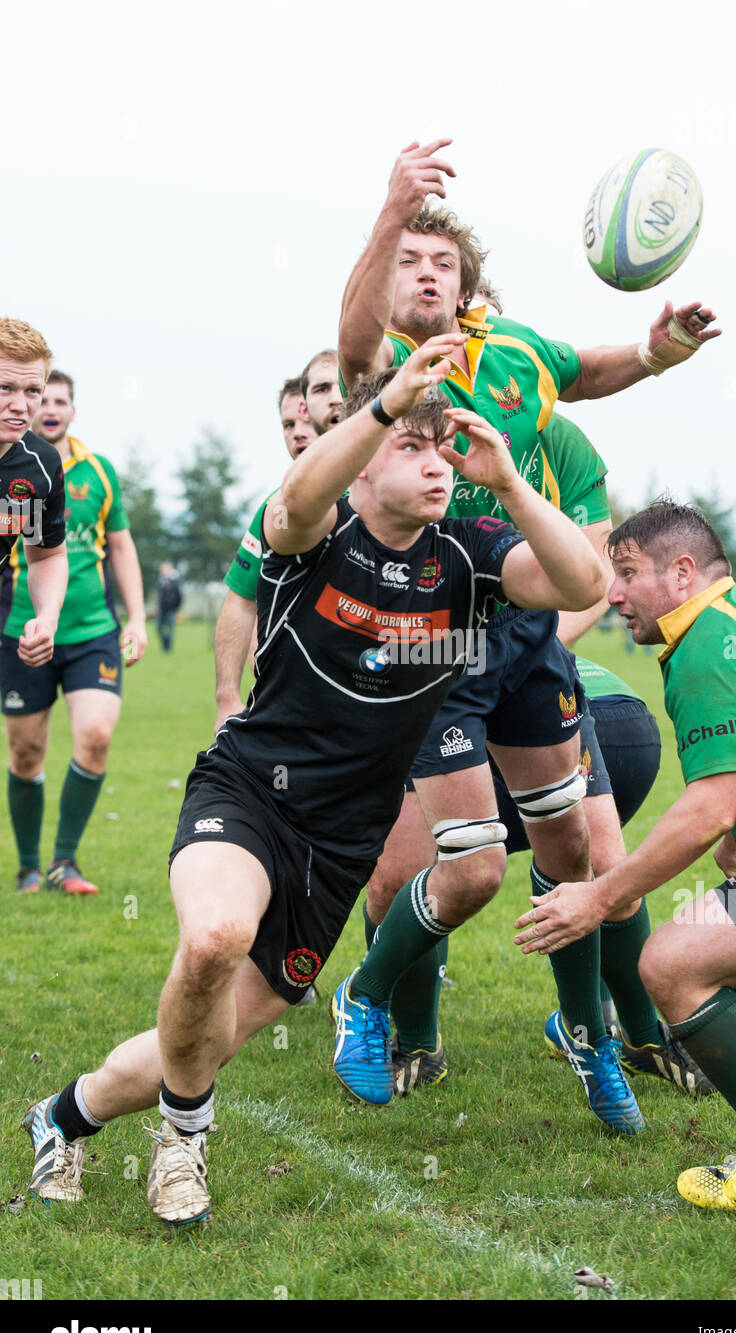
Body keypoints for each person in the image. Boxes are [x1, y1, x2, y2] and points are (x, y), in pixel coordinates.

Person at [20, 336, 605, 1226]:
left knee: (209, 1037)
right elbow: (295, 499)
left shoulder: (468, 554)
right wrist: (378, 409)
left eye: (440, 445)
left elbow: (582, 580)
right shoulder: (314, 531)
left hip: (341, 840)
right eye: (411, 447)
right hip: (249, 792)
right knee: (213, 940)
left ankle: (62, 1115)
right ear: (363, 463)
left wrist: (514, 485)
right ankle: (184, 1142)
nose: (435, 463)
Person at [334, 138, 720, 1120]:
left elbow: (587, 369)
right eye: (407, 261)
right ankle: (370, 1002)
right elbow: (350, 341)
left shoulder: (509, 359)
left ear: (469, 286)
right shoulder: (389, 377)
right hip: (427, 644)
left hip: (523, 643)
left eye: (441, 261)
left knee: (578, 859)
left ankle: (590, 1043)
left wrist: (656, 351)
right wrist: (390, 210)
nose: (423, 272)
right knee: (459, 872)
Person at [514, 499, 736, 1211]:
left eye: (625, 573)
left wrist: (599, 897)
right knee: (727, 956)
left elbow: (705, 805)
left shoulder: (709, 638)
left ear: (680, 573)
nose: (611, 595)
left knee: (668, 962)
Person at [1, 368, 145, 894]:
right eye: (40, 397)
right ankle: (29, 866)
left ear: (71, 410)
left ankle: (65, 862)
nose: (46, 406)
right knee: (25, 753)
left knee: (97, 735)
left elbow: (122, 545)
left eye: (52, 397)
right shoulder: (23, 465)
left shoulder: (98, 472)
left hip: (91, 631)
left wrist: (138, 618)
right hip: (22, 631)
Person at [214, 365, 333, 734]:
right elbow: (240, 599)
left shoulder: (383, 493)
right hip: (297, 705)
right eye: (287, 425)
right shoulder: (273, 509)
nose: (298, 433)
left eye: (305, 422)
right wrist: (227, 698)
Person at [0, 319, 68, 676]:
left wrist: (46, 619)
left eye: (31, 391)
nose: (20, 406)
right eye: (4, 387)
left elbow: (46, 556)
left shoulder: (40, 464)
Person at [156, 562, 182, 652]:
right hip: (162, 610)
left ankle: (168, 648)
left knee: (170, 629)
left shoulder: (175, 582)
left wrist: (176, 610)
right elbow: (159, 597)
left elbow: (179, 597)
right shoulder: (160, 581)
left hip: (171, 610)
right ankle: (164, 644)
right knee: (158, 628)